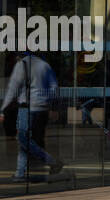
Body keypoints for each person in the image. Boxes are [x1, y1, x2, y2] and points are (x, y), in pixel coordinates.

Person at [0, 51, 63, 180]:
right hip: (42, 109)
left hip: (26, 108)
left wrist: (3, 108)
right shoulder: (45, 65)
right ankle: (19, 174)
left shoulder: (21, 64)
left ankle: (52, 162)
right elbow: (54, 88)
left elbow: (13, 87)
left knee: (23, 139)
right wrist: (51, 105)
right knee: (25, 140)